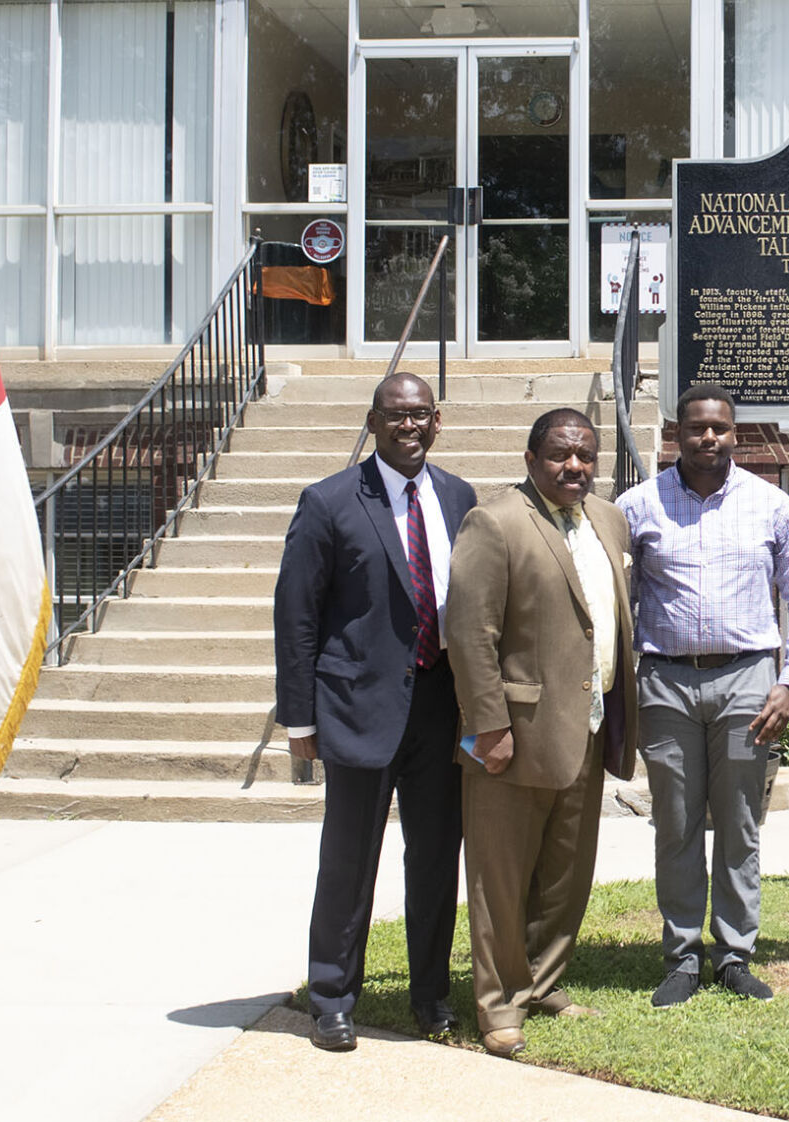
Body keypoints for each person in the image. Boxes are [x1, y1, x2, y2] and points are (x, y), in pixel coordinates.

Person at [273, 372, 475, 1053]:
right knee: (348, 859)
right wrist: (299, 719)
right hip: (358, 708)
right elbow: (296, 616)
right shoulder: (329, 501)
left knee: (434, 860)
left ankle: (431, 994)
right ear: (373, 421)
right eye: (395, 415)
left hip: (440, 707)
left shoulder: (457, 497)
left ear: (437, 421)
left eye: (419, 414)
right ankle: (332, 997)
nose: (408, 426)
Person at [617, 382, 789, 1009]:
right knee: (676, 825)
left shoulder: (771, 505)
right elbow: (611, 595)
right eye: (697, 427)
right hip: (666, 682)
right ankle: (681, 957)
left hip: (748, 681)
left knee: (739, 825)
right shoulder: (636, 506)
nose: (709, 437)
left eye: (721, 428)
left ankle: (735, 954)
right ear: (676, 433)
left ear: (737, 434)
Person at [445, 409, 637, 1058]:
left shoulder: (609, 520)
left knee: (565, 874)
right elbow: (470, 635)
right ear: (531, 458)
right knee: (500, 881)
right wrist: (488, 726)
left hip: (585, 727)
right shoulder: (494, 522)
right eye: (559, 454)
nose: (574, 465)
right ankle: (499, 1006)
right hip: (514, 736)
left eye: (585, 454)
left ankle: (545, 982)